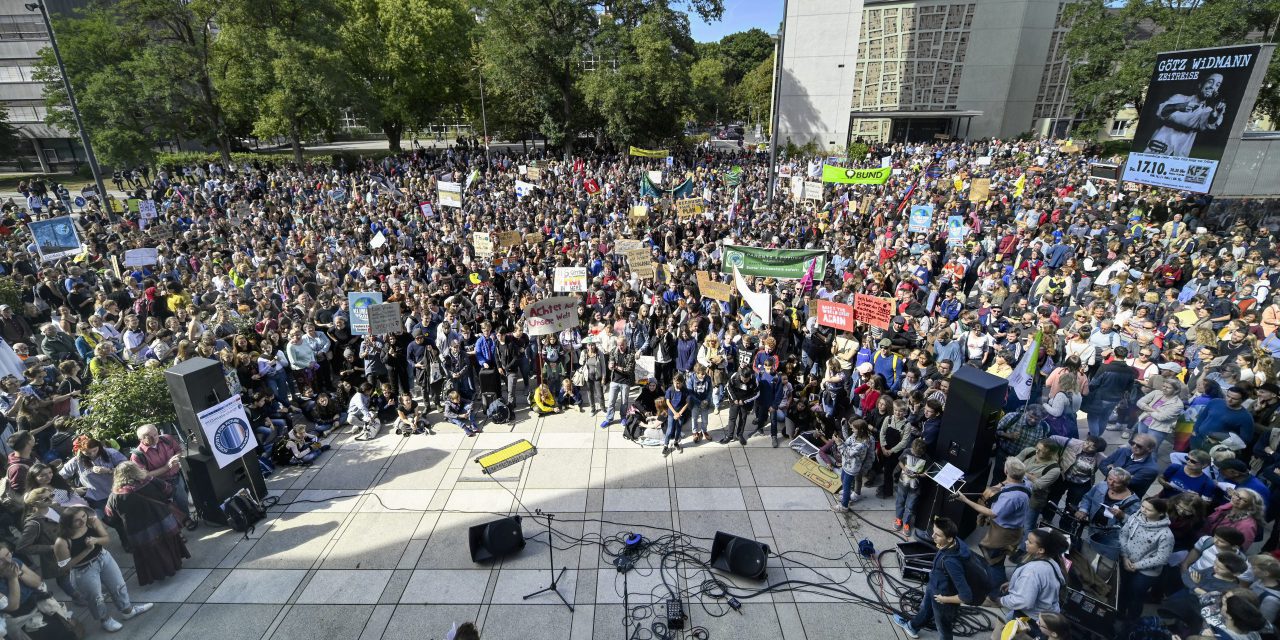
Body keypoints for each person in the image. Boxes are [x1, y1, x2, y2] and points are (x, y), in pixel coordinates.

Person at [53, 506, 154, 632]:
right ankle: (105, 620)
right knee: (95, 598)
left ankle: (128, 611)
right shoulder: (61, 542)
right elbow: (64, 567)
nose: (82, 521)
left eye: (83, 516)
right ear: (67, 524)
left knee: (119, 585)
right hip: (82, 570)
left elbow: (106, 539)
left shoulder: (92, 522)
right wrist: (87, 550)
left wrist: (96, 540)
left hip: (103, 557)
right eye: (77, 520)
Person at [104, 461, 189, 587]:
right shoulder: (151, 481)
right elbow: (170, 490)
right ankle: (176, 565)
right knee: (168, 545)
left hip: (139, 532)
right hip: (163, 521)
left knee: (152, 553)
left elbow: (110, 516)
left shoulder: (115, 496)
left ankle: (160, 573)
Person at [954, 458, 1031, 588]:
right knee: (995, 559)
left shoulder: (1010, 497)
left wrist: (965, 500)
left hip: (1003, 532)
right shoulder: (1026, 484)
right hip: (1013, 530)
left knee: (995, 563)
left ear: (1006, 471)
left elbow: (992, 513)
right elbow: (1009, 482)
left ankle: (995, 593)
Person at [893, 516, 973, 640]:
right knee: (925, 610)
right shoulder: (951, 543)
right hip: (934, 588)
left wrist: (945, 599)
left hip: (943, 600)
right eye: (933, 532)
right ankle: (912, 627)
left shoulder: (951, 562)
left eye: (938, 535)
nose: (933, 536)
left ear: (950, 538)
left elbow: (966, 596)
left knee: (944, 629)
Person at [994, 528, 1068, 639]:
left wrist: (1001, 601)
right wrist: (1017, 583)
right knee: (1006, 623)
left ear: (1041, 550)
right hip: (1044, 613)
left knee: (1006, 634)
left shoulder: (1032, 572)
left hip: (1031, 619)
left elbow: (1024, 601)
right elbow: (1039, 584)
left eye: (1030, 542)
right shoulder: (1052, 562)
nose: (1025, 542)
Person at [1116, 498, 1174, 633]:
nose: (1143, 510)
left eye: (1148, 509)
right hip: (1127, 562)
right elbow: (1123, 535)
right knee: (1123, 590)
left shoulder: (1166, 534)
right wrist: (1125, 557)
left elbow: (1162, 558)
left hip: (1147, 572)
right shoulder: (1135, 518)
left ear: (1160, 513)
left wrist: (1136, 565)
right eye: (1142, 506)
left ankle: (1131, 624)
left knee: (1136, 597)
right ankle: (1118, 613)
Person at [1141, 73, 1227, 158]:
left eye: (1217, 85)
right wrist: (1177, 106)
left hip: (1180, 155)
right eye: (1210, 82)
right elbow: (1160, 111)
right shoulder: (1179, 98)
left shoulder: (1208, 111)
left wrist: (1214, 112)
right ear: (1200, 85)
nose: (1212, 87)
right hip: (1158, 147)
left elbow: (1207, 124)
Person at [128, 424, 189, 521]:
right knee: (167, 507)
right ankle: (177, 527)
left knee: (182, 501)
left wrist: (177, 457)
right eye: (150, 437)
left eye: (156, 434)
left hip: (176, 477)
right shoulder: (137, 455)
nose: (155, 438)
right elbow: (143, 475)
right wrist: (166, 467)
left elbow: (178, 450)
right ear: (141, 439)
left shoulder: (167, 439)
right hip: (158, 484)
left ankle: (187, 520)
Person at [832, 419, 874, 512]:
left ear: (861, 430)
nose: (852, 430)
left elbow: (848, 453)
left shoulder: (862, 444)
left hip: (852, 468)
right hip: (846, 465)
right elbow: (847, 443)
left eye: (854, 429)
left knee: (846, 486)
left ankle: (844, 506)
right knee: (843, 479)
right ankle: (846, 496)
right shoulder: (856, 435)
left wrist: (839, 443)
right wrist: (840, 440)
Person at [895, 438, 929, 539]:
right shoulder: (907, 451)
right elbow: (900, 461)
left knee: (910, 506)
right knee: (900, 501)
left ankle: (906, 523)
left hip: (915, 487)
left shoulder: (926, 458)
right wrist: (904, 468)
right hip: (903, 482)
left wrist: (918, 475)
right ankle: (898, 518)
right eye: (914, 452)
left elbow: (926, 474)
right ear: (912, 448)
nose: (915, 454)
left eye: (918, 454)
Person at [663, 373, 689, 456]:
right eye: (675, 383)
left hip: (681, 414)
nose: (676, 385)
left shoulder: (685, 391)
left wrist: (680, 413)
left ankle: (676, 442)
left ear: (682, 382)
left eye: (678, 383)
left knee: (679, 429)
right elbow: (668, 402)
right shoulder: (670, 390)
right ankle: (665, 445)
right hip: (672, 414)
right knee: (669, 430)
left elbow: (687, 403)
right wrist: (675, 413)